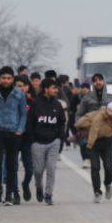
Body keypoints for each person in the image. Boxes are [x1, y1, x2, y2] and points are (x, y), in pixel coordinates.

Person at [0, 65, 27, 205]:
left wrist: (20, 129)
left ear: (13, 79)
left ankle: (9, 193)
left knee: (11, 164)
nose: (6, 80)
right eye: (4, 78)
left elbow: (23, 113)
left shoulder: (19, 94)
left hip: (13, 131)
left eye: (9, 78)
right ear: (0, 78)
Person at [75, 95, 112, 203]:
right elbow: (94, 130)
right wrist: (89, 146)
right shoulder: (99, 116)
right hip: (94, 143)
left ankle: (107, 184)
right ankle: (97, 192)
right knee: (95, 168)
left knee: (109, 167)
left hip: (107, 142)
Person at [29, 76, 67, 205]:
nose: (56, 90)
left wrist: (60, 139)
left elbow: (62, 123)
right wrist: (32, 140)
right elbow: (30, 123)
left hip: (53, 142)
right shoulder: (35, 104)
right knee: (38, 170)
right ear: (46, 89)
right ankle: (39, 187)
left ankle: (48, 194)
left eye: (57, 88)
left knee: (51, 168)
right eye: (54, 88)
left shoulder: (58, 105)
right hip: (37, 142)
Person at [15, 74, 37, 201]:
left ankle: (25, 184)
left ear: (28, 87)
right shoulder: (10, 101)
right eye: (18, 86)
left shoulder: (33, 102)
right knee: (13, 167)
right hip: (13, 137)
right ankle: (15, 192)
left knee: (29, 168)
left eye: (23, 86)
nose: (20, 88)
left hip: (27, 139)